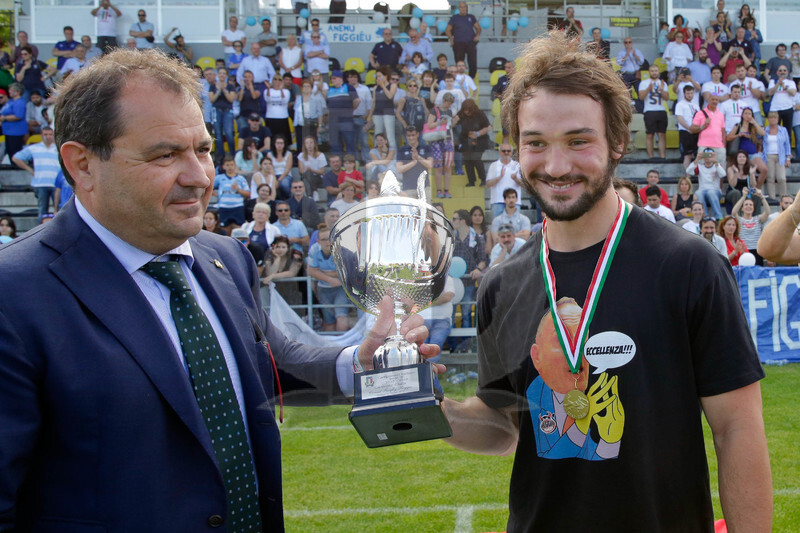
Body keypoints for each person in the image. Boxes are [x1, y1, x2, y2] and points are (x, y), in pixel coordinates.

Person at [0, 47, 437, 531]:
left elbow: (268, 361)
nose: (199, 176)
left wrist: (357, 362)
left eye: (204, 149)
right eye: (164, 155)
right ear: (82, 164)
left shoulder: (223, 257)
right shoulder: (15, 296)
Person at [442, 31, 771, 532]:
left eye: (579, 141)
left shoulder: (690, 266)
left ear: (618, 141)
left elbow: (737, 430)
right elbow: (502, 427)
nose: (556, 165)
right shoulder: (502, 284)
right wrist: (422, 403)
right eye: (536, 143)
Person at [11, 126, 59, 222]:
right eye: (45, 134)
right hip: (40, 183)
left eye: (50, 134)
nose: (48, 137)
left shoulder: (58, 148)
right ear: (41, 135)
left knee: (59, 211)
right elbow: (16, 158)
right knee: (42, 210)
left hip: (56, 184)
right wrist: (29, 169)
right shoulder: (34, 148)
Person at [307, 225, 350, 331]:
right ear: (318, 241)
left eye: (330, 238)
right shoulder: (314, 249)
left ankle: (343, 345)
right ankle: (331, 345)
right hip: (323, 288)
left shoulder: (342, 249)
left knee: (341, 317)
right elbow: (311, 270)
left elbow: (346, 272)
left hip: (341, 288)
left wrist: (321, 272)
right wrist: (330, 278)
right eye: (324, 239)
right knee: (329, 320)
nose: (327, 242)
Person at [451, 209, 486, 328]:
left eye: (455, 219)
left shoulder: (477, 238)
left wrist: (478, 270)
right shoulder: (449, 239)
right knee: (451, 313)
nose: (452, 221)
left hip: (468, 281)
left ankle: (466, 344)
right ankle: (453, 346)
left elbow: (483, 260)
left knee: (466, 313)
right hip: (453, 281)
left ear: (463, 221)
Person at [426, 92, 456, 198]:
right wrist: (440, 122)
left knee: (448, 166)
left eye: (451, 103)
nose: (449, 105)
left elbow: (449, 126)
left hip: (448, 139)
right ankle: (439, 190)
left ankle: (446, 190)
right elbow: (429, 125)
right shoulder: (435, 110)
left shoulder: (450, 111)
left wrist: (453, 122)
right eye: (448, 103)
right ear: (444, 100)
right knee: (438, 166)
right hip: (436, 140)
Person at [758, 189, 800, 264]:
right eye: (786, 203)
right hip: (778, 254)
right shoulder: (773, 217)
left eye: (790, 203)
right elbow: (765, 249)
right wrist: (795, 210)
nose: (788, 205)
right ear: (781, 204)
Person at [456, 99, 491, 187]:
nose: (466, 112)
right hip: (466, 139)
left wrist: (478, 133)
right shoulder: (461, 114)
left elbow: (488, 127)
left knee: (476, 157)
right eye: (465, 111)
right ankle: (471, 181)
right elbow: (455, 124)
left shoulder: (480, 114)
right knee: (467, 160)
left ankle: (483, 179)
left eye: (468, 111)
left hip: (479, 139)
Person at [732, 189, 770, 264]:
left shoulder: (758, 219)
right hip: (743, 250)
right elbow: (734, 212)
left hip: (757, 250)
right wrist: (743, 197)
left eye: (750, 205)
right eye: (746, 205)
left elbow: (767, 212)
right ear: (742, 208)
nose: (748, 206)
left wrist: (762, 197)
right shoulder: (739, 220)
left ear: (753, 208)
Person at [639, 65, 668, 161]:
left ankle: (663, 157)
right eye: (652, 71)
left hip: (661, 110)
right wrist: (648, 88)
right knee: (650, 134)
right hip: (649, 111)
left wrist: (661, 89)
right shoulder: (644, 83)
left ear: (659, 71)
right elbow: (641, 97)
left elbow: (667, 98)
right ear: (649, 72)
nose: (654, 72)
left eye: (656, 71)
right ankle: (651, 157)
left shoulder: (662, 83)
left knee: (662, 134)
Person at [687, 148, 726, 220]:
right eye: (706, 155)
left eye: (710, 155)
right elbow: (688, 171)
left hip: (715, 191)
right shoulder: (699, 166)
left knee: (711, 192)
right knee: (698, 193)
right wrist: (696, 160)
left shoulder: (717, 165)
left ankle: (719, 217)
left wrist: (716, 162)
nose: (708, 157)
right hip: (702, 190)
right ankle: (705, 216)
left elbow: (723, 174)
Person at [208, 67, 236, 167]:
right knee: (218, 135)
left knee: (229, 134)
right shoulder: (212, 86)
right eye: (220, 73)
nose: (222, 75)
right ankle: (220, 157)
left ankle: (233, 155)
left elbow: (231, 99)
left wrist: (224, 90)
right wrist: (218, 91)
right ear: (217, 75)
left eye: (224, 73)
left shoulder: (230, 86)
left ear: (227, 75)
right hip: (217, 111)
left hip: (228, 112)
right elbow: (212, 99)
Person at [761, 110, 792, 198]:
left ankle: (784, 197)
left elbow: (787, 144)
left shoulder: (783, 130)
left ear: (778, 119)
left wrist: (788, 158)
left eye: (775, 117)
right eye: (771, 117)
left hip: (781, 156)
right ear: (768, 119)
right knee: (770, 178)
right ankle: (772, 198)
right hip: (769, 156)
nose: (773, 119)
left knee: (781, 178)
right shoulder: (765, 130)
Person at [446, 2, 481, 79]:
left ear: (466, 8)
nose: (463, 8)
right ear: (459, 8)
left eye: (464, 7)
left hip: (470, 42)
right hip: (458, 43)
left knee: (472, 61)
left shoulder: (471, 17)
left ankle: (471, 78)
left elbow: (478, 28)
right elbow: (448, 30)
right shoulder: (455, 18)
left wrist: (477, 35)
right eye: (461, 7)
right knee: (459, 62)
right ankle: (459, 77)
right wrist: (451, 38)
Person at [366, 67, 398, 151]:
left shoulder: (392, 85)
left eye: (380, 76)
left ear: (386, 76)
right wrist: (370, 115)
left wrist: (383, 86)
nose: (378, 78)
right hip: (377, 113)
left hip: (388, 113)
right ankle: (378, 154)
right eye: (377, 76)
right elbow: (374, 102)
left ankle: (393, 156)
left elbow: (390, 96)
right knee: (378, 135)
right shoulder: (376, 88)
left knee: (390, 135)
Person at [395, 126, 433, 196]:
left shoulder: (426, 148)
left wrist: (418, 157)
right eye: (409, 136)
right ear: (406, 136)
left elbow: (430, 165)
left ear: (417, 134)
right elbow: (399, 169)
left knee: (425, 207)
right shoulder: (401, 150)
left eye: (413, 135)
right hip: (408, 188)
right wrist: (413, 162)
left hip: (424, 187)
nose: (411, 138)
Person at [693, 93, 727, 163]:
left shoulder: (721, 114)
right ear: (708, 100)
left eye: (716, 100)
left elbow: (723, 131)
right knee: (704, 169)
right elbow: (692, 129)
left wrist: (723, 146)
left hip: (719, 146)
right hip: (705, 146)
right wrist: (703, 126)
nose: (714, 101)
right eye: (713, 99)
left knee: (720, 170)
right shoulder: (700, 113)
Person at [1, 83, 28, 166]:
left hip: (16, 132)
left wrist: (4, 118)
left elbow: (18, 116)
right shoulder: (12, 101)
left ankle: (17, 168)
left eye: (11, 90)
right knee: (9, 150)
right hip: (8, 131)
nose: (9, 92)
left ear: (17, 92)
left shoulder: (20, 102)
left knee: (14, 151)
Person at [675, 84, 700, 167]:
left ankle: (697, 174)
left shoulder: (696, 105)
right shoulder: (680, 104)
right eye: (688, 93)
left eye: (691, 93)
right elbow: (680, 119)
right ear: (684, 93)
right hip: (685, 131)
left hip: (696, 132)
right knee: (688, 155)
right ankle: (688, 176)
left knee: (698, 155)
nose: (690, 95)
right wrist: (689, 128)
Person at [269, 134, 294, 199]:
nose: (279, 145)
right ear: (274, 144)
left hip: (286, 175)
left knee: (284, 184)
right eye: (277, 143)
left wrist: (279, 180)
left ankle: (289, 199)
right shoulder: (269, 154)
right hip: (273, 175)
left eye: (281, 143)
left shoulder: (289, 154)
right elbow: (270, 169)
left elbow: (288, 169)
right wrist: (275, 179)